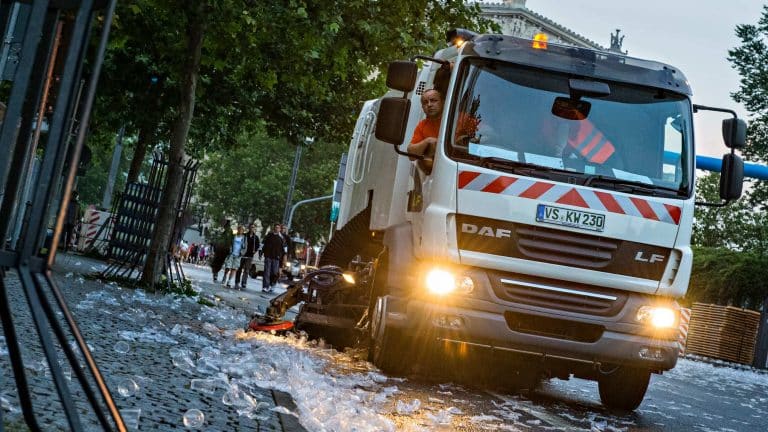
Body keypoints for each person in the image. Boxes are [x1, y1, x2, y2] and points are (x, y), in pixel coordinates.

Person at [261, 223, 284, 293]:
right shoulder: (269, 235)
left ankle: (272, 284)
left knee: (274, 272)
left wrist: (283, 257)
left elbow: (284, 248)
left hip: (276, 257)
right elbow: (263, 244)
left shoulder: (281, 238)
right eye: (276, 227)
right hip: (268, 256)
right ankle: (265, 286)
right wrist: (261, 252)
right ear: (274, 228)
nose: (276, 229)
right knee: (266, 272)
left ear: (280, 229)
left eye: (278, 228)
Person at [235, 223, 260, 290]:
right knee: (239, 269)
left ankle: (244, 282)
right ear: (249, 228)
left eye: (254, 227)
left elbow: (257, 245)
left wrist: (255, 251)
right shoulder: (245, 235)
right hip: (243, 255)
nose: (252, 228)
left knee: (246, 270)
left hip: (250, 256)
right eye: (251, 227)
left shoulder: (256, 237)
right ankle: (237, 282)